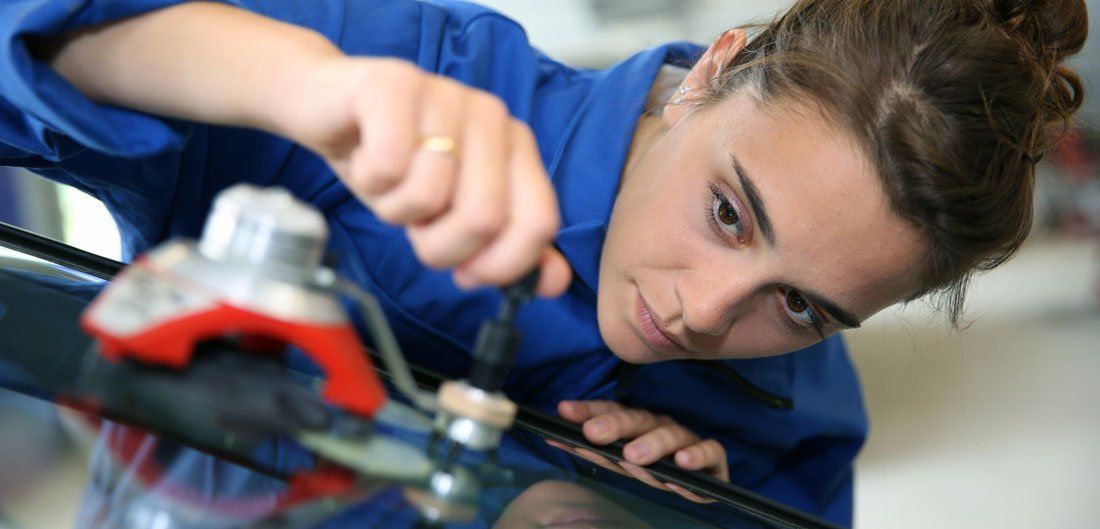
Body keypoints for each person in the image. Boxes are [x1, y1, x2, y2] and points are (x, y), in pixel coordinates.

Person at [0, 0, 1087, 525]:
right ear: (708, 75)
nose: (704, 314)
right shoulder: (413, 68)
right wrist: (307, 92)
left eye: (800, 306)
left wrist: (643, 522)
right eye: (725, 211)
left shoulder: (797, 419)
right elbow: (38, 35)